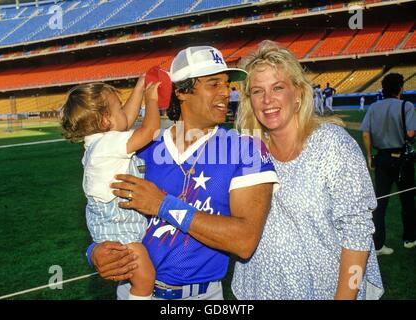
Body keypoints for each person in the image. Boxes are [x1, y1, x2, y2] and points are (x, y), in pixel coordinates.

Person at [87, 45, 278, 300]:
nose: (226, 93)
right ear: (182, 92)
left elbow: (244, 241)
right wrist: (94, 251)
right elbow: (101, 202)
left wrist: (163, 205)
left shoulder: (247, 150)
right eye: (213, 84)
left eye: (227, 84)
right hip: (132, 290)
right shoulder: (143, 145)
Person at [233, 40, 383, 300]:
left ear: (298, 94)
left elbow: (358, 236)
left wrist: (346, 297)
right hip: (260, 290)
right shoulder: (248, 150)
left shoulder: (333, 145)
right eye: (257, 91)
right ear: (249, 101)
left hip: (325, 292)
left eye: (278, 87)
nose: (267, 100)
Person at [61, 78, 161, 300]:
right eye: (119, 107)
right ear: (106, 120)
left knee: (141, 277)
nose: (125, 112)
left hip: (109, 227)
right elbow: (150, 130)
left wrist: (139, 86)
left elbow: (124, 119)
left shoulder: (98, 142)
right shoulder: (108, 145)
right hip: (120, 230)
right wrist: (150, 100)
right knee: (145, 279)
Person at [361, 73, 416, 256]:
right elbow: (410, 134)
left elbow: (366, 134)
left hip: (382, 159)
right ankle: (409, 238)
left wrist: (370, 157)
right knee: (407, 200)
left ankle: (378, 245)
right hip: (402, 160)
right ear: (400, 88)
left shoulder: (374, 107)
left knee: (380, 203)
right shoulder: (406, 106)